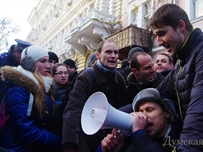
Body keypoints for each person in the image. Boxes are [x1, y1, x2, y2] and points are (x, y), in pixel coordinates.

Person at [147, 4, 203, 151]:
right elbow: (157, 94)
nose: (158, 42)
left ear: (181, 26)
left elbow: (198, 114)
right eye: (156, 36)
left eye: (162, 33)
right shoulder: (180, 62)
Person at [62, 40, 127, 152]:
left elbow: (121, 108)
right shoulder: (86, 77)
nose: (113, 56)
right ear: (98, 55)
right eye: (108, 52)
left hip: (107, 136)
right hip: (85, 134)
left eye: (116, 53)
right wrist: (70, 144)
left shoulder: (119, 79)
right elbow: (73, 109)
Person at [0, 46, 61, 151]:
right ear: (29, 64)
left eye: (49, 61)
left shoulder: (42, 84)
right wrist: (57, 141)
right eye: (43, 61)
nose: (49, 66)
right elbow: (26, 130)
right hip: (16, 147)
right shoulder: (18, 89)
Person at [97, 88, 182, 152]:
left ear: (167, 112)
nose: (143, 116)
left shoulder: (183, 138)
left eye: (149, 110)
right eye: (140, 111)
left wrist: (140, 135)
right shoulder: (131, 139)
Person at [48, 63, 69, 137]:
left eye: (66, 73)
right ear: (53, 75)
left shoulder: (70, 88)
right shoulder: (49, 90)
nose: (63, 76)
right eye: (60, 73)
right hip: (55, 129)